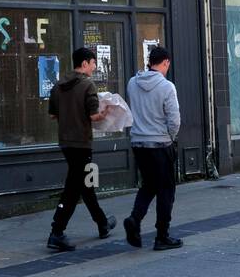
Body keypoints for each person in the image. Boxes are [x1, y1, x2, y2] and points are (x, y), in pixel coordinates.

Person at [46, 47, 115, 252]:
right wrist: (106, 113)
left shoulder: (58, 86)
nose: (94, 67)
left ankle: (102, 223)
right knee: (74, 187)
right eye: (93, 63)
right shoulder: (87, 85)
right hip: (81, 143)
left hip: (66, 142)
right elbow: (93, 117)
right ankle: (56, 231)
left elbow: (53, 115)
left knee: (85, 182)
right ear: (84, 63)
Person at [124, 46, 183, 251]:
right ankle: (162, 236)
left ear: (150, 61)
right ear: (165, 62)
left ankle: (135, 218)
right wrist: (171, 137)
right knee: (166, 190)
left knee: (149, 185)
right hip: (160, 144)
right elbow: (174, 120)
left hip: (138, 144)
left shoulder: (133, 83)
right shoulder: (167, 87)